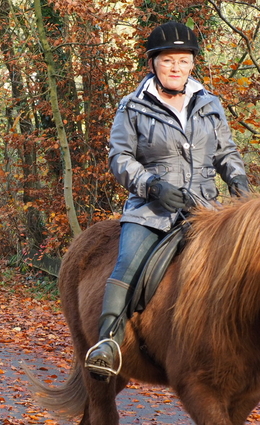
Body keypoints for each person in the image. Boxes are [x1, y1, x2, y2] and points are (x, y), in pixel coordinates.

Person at [84, 21, 250, 381]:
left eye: (184, 60)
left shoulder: (210, 103)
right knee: (127, 262)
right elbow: (120, 158)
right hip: (151, 212)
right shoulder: (132, 107)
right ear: (153, 64)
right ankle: (107, 343)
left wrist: (239, 184)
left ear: (193, 64)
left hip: (205, 211)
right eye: (168, 60)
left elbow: (226, 152)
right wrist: (152, 186)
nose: (176, 67)